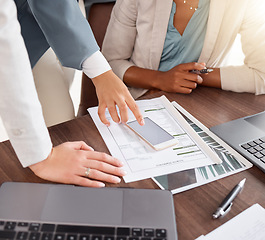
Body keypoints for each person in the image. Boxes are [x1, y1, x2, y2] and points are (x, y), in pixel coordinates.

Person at [0, 0, 144, 187]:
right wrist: (42, 158)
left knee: (62, 121)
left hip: (57, 24)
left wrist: (99, 71)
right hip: (19, 27)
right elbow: (5, 49)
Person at [102, 0, 265, 99]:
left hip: (201, 103)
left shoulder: (245, 3)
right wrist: (160, 79)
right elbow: (109, 64)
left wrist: (194, 76)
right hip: (141, 101)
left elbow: (261, 75)